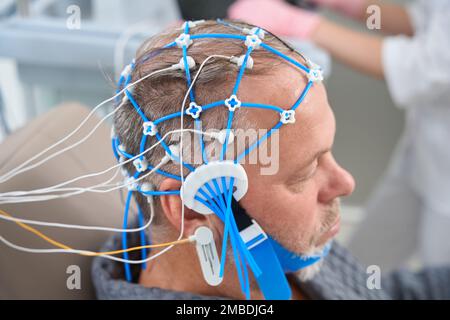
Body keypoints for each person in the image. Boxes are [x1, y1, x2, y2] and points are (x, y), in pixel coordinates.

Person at [91, 20, 450, 300]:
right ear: (194, 211)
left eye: (328, 154)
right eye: (306, 172)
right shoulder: (275, 239)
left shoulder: (278, 246)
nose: (344, 182)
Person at [229, 0, 450, 269]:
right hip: (426, 148)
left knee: (438, 275)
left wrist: (304, 26)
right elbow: (427, 25)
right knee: (364, 260)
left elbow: (428, 67)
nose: (344, 184)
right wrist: (352, 6)